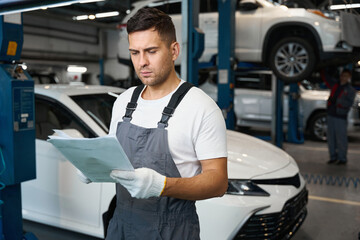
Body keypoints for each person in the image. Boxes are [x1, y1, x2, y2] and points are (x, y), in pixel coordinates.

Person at [104, 8, 228, 239]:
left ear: (174, 50)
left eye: (151, 51)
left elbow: (218, 182)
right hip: (121, 226)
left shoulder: (201, 107)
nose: (142, 62)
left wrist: (161, 185)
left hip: (172, 231)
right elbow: (114, 157)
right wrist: (93, 166)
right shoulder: (123, 102)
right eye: (135, 52)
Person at [321, 68, 356, 165]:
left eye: (346, 76)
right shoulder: (335, 85)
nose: (343, 78)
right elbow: (326, 78)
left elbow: (349, 103)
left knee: (341, 139)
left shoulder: (350, 90)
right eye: (342, 75)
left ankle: (342, 158)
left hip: (340, 116)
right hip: (331, 114)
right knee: (331, 138)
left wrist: (337, 101)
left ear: (349, 77)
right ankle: (333, 157)